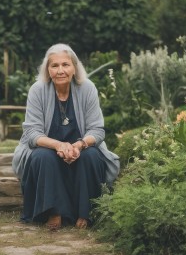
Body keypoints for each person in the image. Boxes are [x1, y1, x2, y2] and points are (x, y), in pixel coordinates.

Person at [12, 43, 120, 231]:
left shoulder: (87, 88)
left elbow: (97, 130)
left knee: (92, 156)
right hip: (48, 149)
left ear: (74, 68)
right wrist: (59, 146)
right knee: (41, 157)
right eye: (54, 66)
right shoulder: (37, 90)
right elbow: (32, 134)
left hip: (80, 149)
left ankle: (85, 213)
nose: (60, 70)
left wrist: (79, 145)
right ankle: (53, 212)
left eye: (65, 65)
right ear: (48, 69)